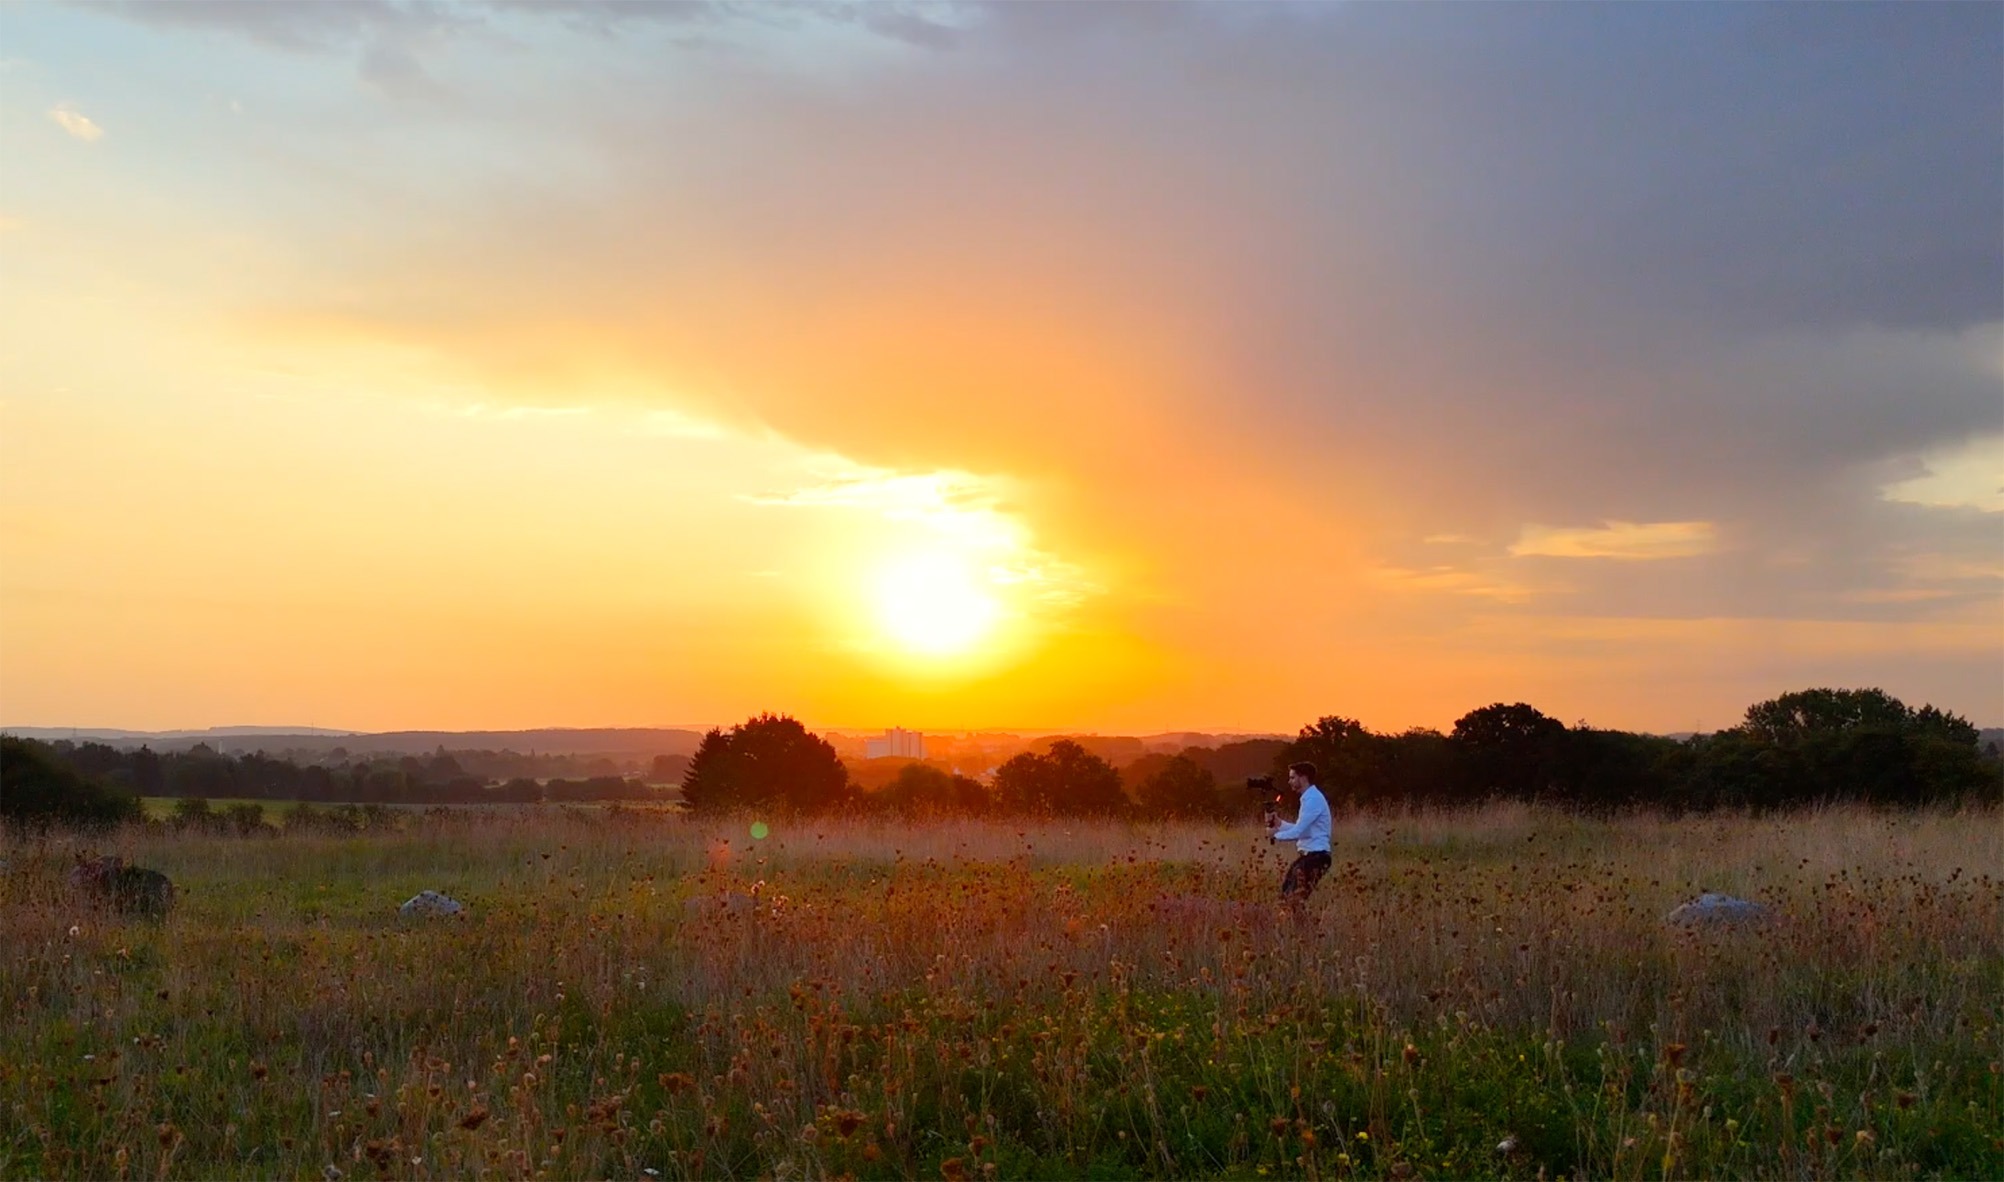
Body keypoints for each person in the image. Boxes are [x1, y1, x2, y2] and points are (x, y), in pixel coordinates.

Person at [1267, 761, 1332, 905]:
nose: (1289, 782)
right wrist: (1280, 824)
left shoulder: (1312, 799)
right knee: (1287, 894)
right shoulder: (1309, 798)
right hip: (1310, 856)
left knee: (1294, 899)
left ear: (1303, 778)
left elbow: (1298, 832)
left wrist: (1275, 835)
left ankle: (1301, 926)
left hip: (1316, 856)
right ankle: (1295, 926)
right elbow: (1305, 830)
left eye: (1292, 778)